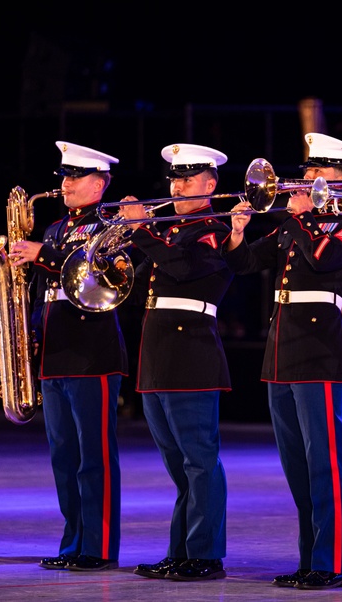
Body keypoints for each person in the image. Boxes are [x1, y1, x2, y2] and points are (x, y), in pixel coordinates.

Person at [224, 132, 342, 590]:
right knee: (297, 464)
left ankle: (332, 561)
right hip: (282, 349)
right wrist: (238, 233)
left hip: (319, 349)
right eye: (307, 171)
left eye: (319, 172)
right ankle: (310, 558)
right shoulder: (293, 222)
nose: (306, 179)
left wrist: (302, 219)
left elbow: (323, 262)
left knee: (324, 461)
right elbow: (247, 264)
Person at [9, 141, 128, 572]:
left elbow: (95, 268)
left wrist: (43, 252)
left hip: (91, 351)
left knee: (92, 454)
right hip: (55, 350)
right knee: (63, 454)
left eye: (75, 177)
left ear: (99, 183)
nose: (66, 184)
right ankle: (73, 541)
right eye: (64, 176)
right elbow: (48, 290)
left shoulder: (108, 224)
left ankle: (98, 546)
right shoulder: (57, 227)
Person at [122, 143, 233, 582]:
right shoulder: (168, 228)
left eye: (187, 179)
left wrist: (141, 231)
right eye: (174, 178)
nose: (178, 185)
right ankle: (181, 550)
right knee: (177, 464)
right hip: (158, 356)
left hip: (191, 355)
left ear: (210, 184)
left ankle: (206, 554)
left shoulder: (213, 227)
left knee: (199, 460)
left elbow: (185, 269)